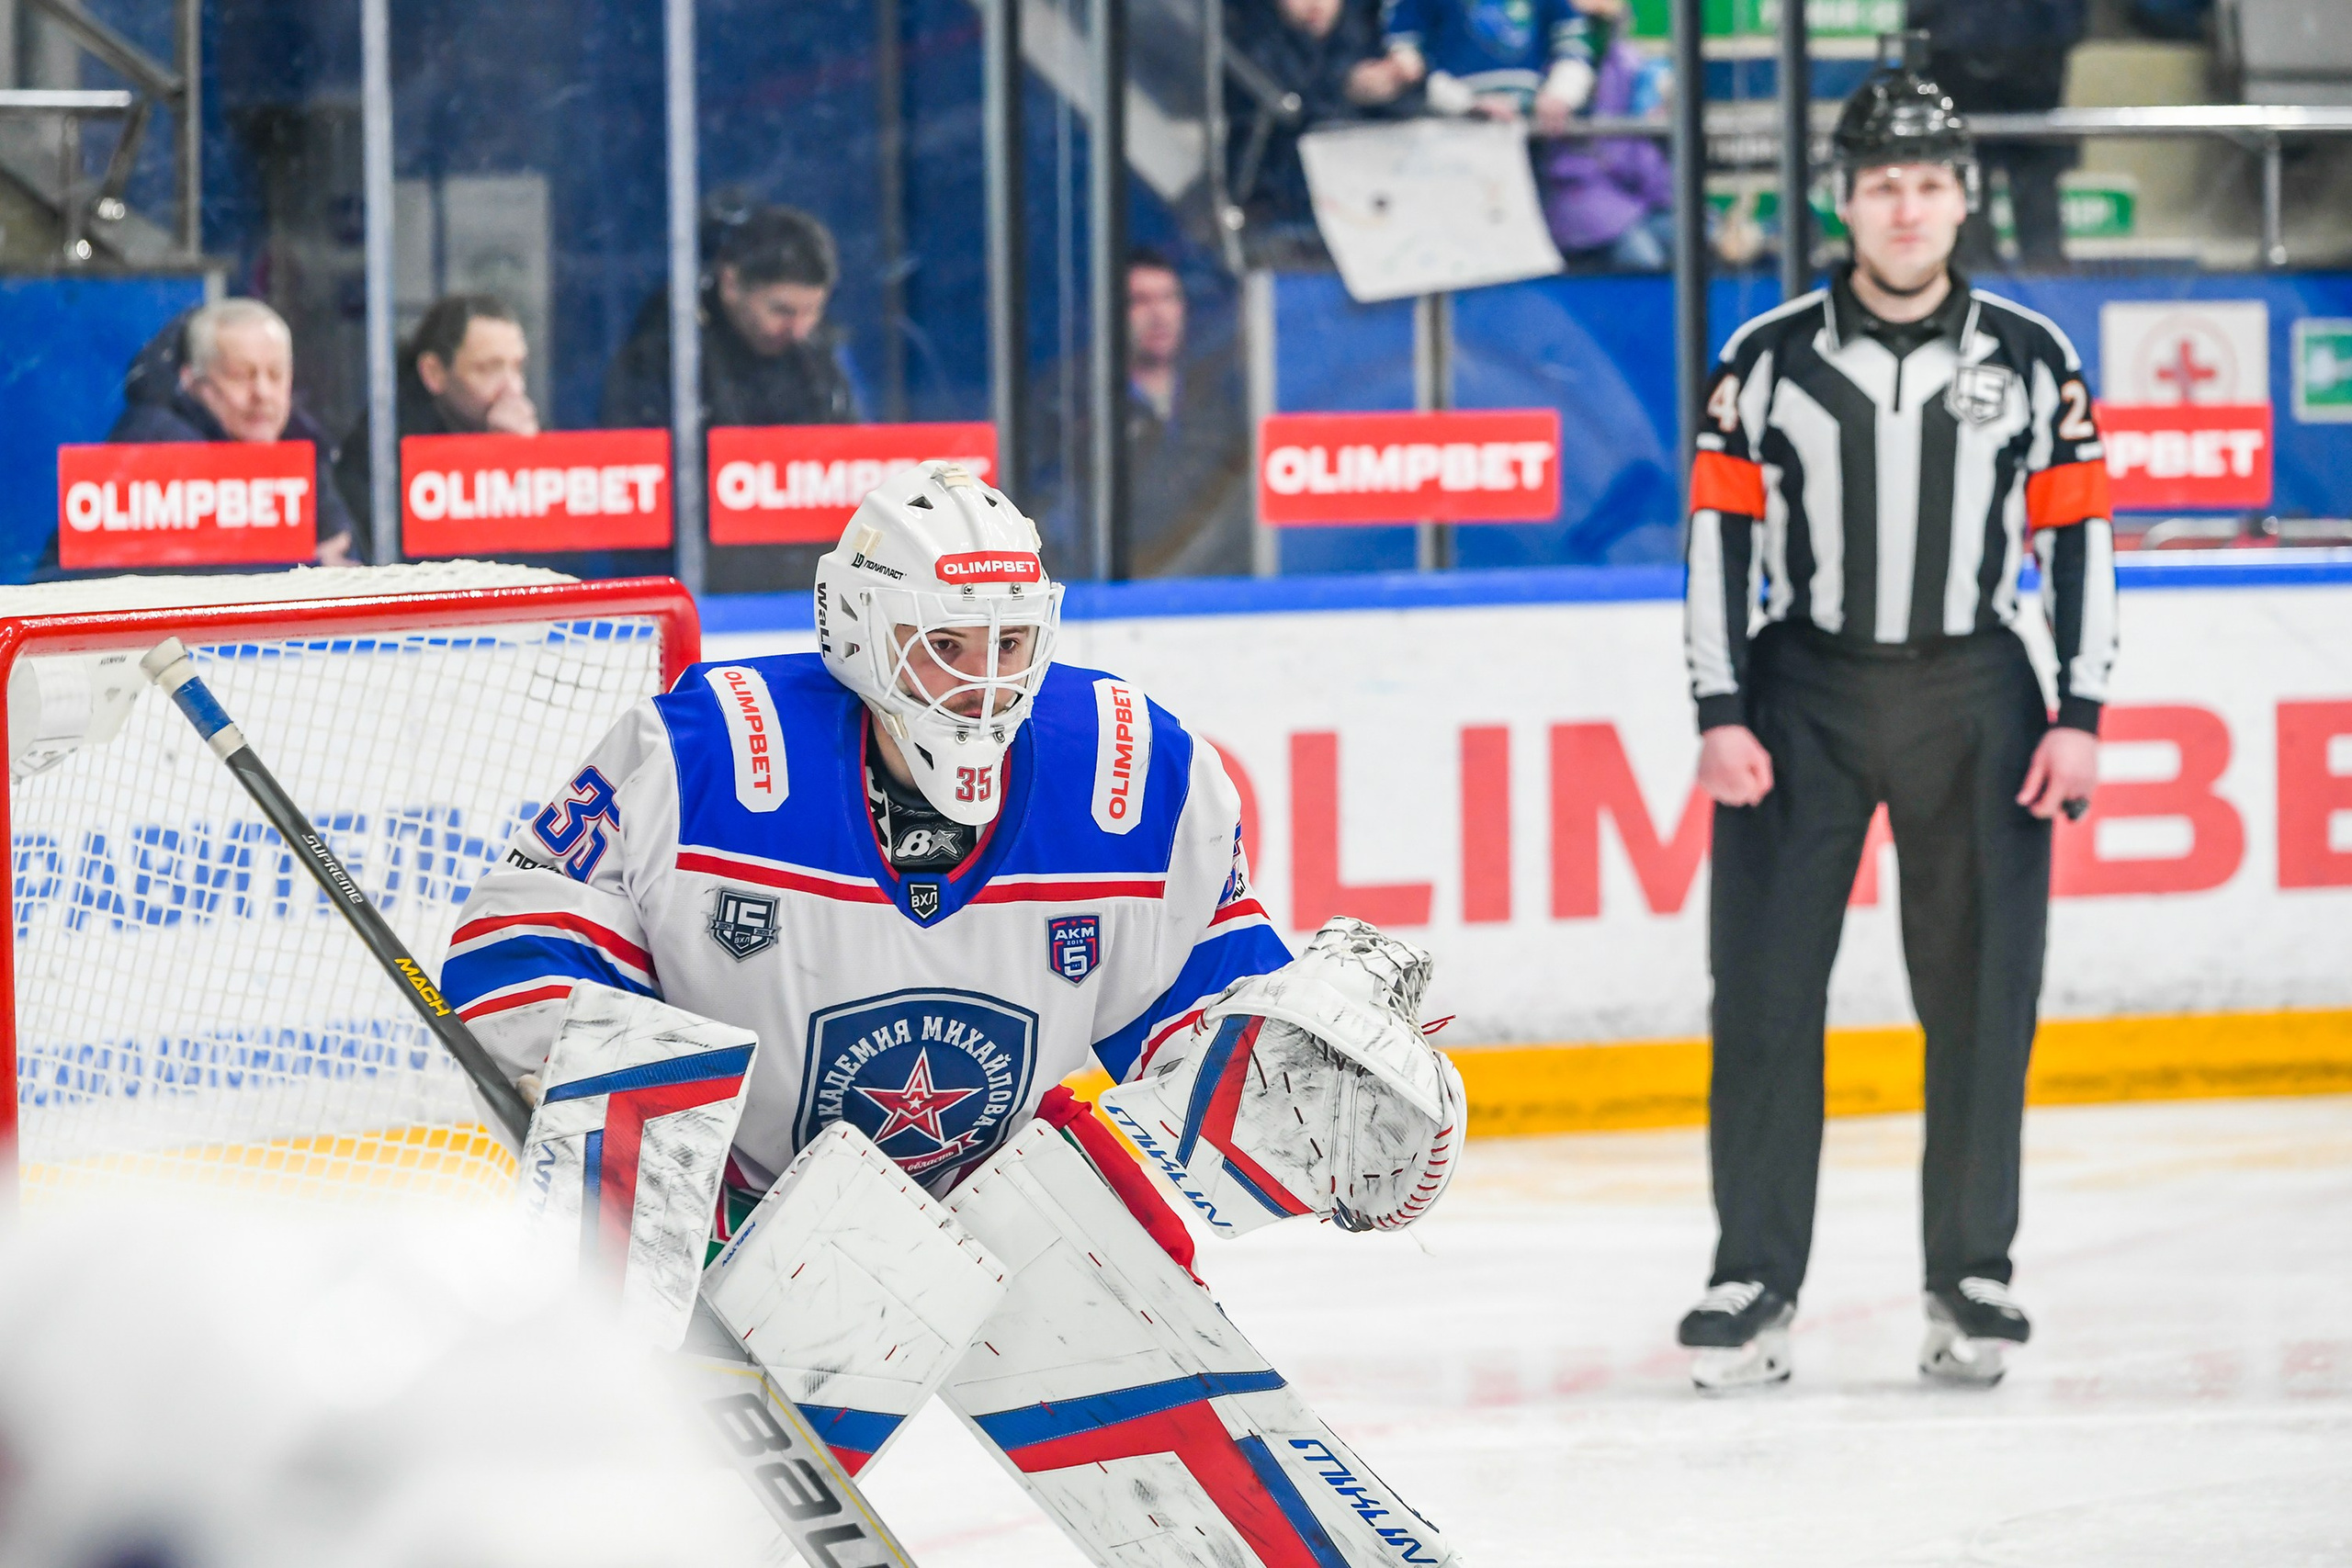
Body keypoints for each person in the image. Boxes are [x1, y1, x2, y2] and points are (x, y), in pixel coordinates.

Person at [440, 460, 1467, 1564]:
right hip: (742, 1229)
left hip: (1007, 1205)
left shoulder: (1135, 773)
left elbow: (1207, 1029)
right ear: (864, 633)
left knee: (1086, 1252)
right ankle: (621, 1487)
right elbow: (514, 954)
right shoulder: (706, 753)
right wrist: (663, 1198)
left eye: (1010, 645)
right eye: (948, 645)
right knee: (641, 1520)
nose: (984, 684)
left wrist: (1312, 1081)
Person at [1676, 40, 2118, 1393]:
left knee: (1985, 998)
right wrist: (1719, 703)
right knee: (1760, 993)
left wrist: (2082, 707)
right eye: (1882, 184)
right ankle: (1752, 1276)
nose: (1907, 207)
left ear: (1965, 197)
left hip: (1983, 694)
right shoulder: (1764, 362)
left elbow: (2088, 545)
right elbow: (1713, 544)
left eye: (1929, 181)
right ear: (1844, 202)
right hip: (1800, 694)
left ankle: (1970, 1274)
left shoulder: (2037, 365)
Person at [603, 199, 860, 591]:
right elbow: (637, 480)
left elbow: (854, 450)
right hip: (703, 579)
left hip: (810, 578)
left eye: (812, 312)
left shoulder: (819, 356)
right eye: (782, 310)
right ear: (731, 284)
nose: (799, 329)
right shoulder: (666, 355)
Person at [90, 298, 357, 567]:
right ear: (192, 381)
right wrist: (307, 567)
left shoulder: (299, 447)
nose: (262, 394)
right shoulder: (154, 447)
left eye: (276, 375)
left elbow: (348, 557)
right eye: (241, 375)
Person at [335, 292, 539, 560]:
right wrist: (486, 462)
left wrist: (529, 463)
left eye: (517, 368)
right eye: (488, 369)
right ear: (434, 373)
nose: (513, 388)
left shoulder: (509, 426)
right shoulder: (382, 449)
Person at [1908, 0, 2087, 269]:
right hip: (1958, 74)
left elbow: (2069, 20)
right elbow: (1919, 22)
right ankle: (1975, 282)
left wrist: (2046, 48)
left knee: (2038, 220)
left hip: (2033, 74)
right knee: (1970, 213)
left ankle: (2047, 290)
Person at [1225, 0, 1408, 235]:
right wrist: (1344, 91)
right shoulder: (1248, 39)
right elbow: (1290, 109)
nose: (1316, 4)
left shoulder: (1365, 27)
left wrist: (1403, 81)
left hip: (1373, 200)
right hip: (1280, 207)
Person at [1537, 16, 1675, 268]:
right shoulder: (1551, 69)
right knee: (1644, 258)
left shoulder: (1628, 63)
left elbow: (1641, 163)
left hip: (1635, 201)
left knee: (1691, 238)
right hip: (1576, 205)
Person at [1374, 0, 1600, 135]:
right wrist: (1465, 104)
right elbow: (1404, 59)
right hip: (1449, 134)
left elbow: (1575, 48)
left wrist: (1560, 95)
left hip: (1531, 134)